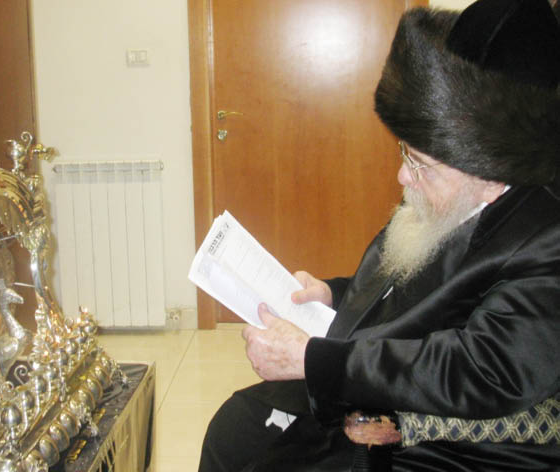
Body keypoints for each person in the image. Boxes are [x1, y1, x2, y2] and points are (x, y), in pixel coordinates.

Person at [198, 0, 560, 470]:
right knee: (235, 428)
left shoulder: (546, 242)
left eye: (420, 164)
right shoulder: (453, 194)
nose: (403, 177)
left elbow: (480, 369)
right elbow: (408, 285)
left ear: (489, 171)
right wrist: (332, 294)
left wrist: (314, 361)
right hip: (364, 382)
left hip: (432, 438)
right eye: (405, 154)